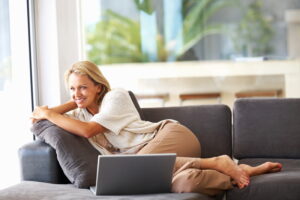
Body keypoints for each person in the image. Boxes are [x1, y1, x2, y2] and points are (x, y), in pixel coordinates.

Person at [31, 61, 282, 196]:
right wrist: (70, 102)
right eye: (72, 88)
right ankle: (240, 170)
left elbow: (88, 131)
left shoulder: (115, 97)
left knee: (134, 168)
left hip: (171, 137)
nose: (77, 94)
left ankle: (217, 161)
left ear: (99, 86)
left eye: (83, 87)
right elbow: (34, 121)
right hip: (157, 161)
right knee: (184, 184)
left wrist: (51, 112)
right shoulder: (78, 112)